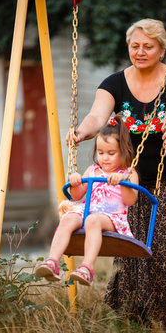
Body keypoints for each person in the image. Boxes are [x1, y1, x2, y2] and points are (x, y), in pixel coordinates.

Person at [66, 19, 166, 328]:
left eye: (148, 47)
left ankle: (164, 322)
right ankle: (129, 316)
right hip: (127, 176)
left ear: (163, 49)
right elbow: (98, 114)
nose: (140, 52)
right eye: (134, 46)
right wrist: (82, 131)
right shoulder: (114, 82)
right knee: (130, 242)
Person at [35, 114, 139, 286]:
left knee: (92, 220)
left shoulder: (128, 173)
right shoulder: (92, 170)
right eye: (100, 152)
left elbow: (130, 201)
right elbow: (77, 196)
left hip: (112, 216)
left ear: (124, 151)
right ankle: (52, 261)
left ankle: (86, 268)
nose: (104, 157)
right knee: (68, 218)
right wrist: (75, 181)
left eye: (111, 153)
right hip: (87, 211)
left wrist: (123, 183)